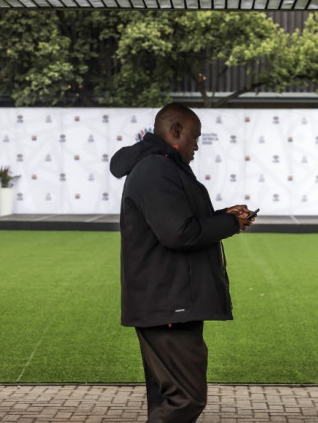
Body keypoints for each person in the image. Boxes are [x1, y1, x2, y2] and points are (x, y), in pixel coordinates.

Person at [110, 103, 255, 422]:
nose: (196, 146)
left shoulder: (161, 167)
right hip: (168, 304)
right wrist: (230, 224)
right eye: (195, 137)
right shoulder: (156, 169)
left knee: (168, 397)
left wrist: (227, 216)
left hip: (167, 303)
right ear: (176, 131)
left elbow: (182, 223)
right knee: (186, 398)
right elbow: (178, 233)